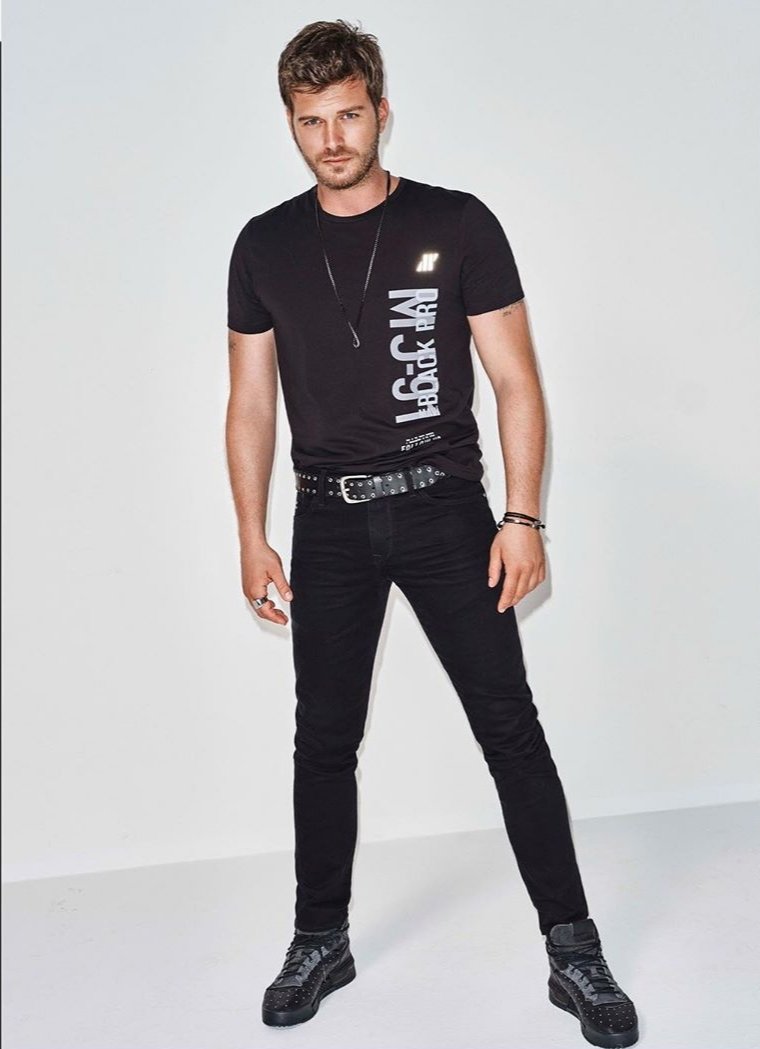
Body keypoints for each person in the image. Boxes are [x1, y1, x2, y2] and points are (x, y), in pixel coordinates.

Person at [225, 19, 639, 1049]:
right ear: (290, 124)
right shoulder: (262, 245)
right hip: (327, 516)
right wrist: (250, 532)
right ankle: (319, 938)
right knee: (323, 739)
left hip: (446, 511)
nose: (331, 139)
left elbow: (515, 380)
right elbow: (249, 403)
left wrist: (523, 515)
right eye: (310, 121)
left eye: (347, 115)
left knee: (509, 726)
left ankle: (574, 947)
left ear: (381, 110)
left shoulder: (457, 222)